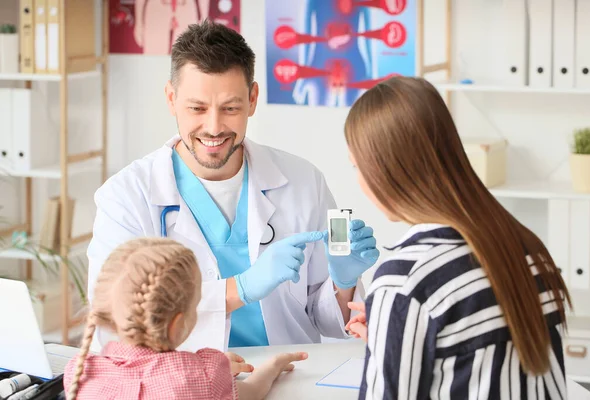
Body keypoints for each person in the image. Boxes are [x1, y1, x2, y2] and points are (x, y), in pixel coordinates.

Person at [87, 21, 379, 357]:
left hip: (291, 375)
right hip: (185, 382)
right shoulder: (127, 196)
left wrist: (344, 283)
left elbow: (332, 321)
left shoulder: (303, 181)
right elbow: (115, 322)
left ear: (252, 100)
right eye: (197, 108)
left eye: (230, 108)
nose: (213, 127)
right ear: (171, 98)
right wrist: (239, 289)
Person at [342, 76, 571, 399]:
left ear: (386, 170)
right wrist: (393, 333)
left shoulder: (405, 279)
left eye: (357, 167)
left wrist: (398, 316)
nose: (361, 183)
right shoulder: (528, 248)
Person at [65, 237, 308, 400]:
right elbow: (252, 392)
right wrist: (273, 365)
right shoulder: (203, 375)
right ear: (179, 323)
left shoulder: (79, 371)